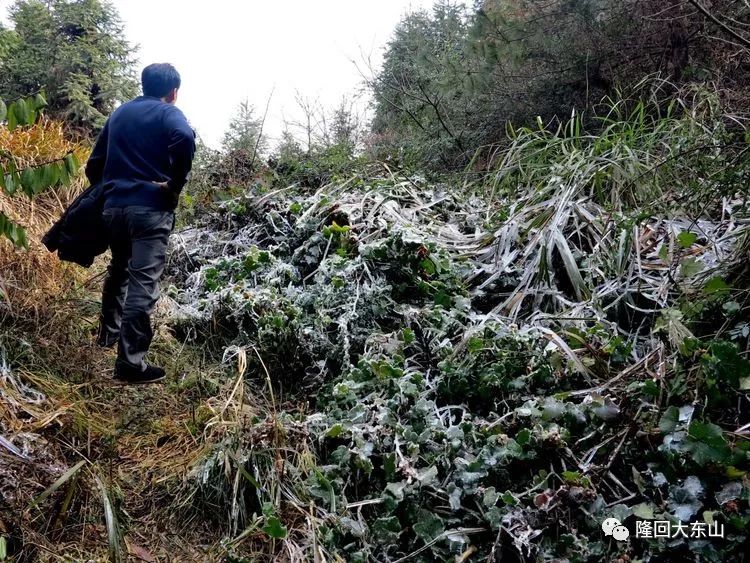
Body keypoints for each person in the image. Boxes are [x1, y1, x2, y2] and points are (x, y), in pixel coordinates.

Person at [85, 63, 196, 384]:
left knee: (118, 269)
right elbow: (185, 138)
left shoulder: (119, 114)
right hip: (150, 210)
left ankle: (107, 335)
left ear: (143, 84)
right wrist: (173, 186)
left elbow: (94, 164)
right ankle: (130, 363)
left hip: (114, 208)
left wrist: (109, 189)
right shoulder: (168, 113)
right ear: (173, 92)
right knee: (143, 282)